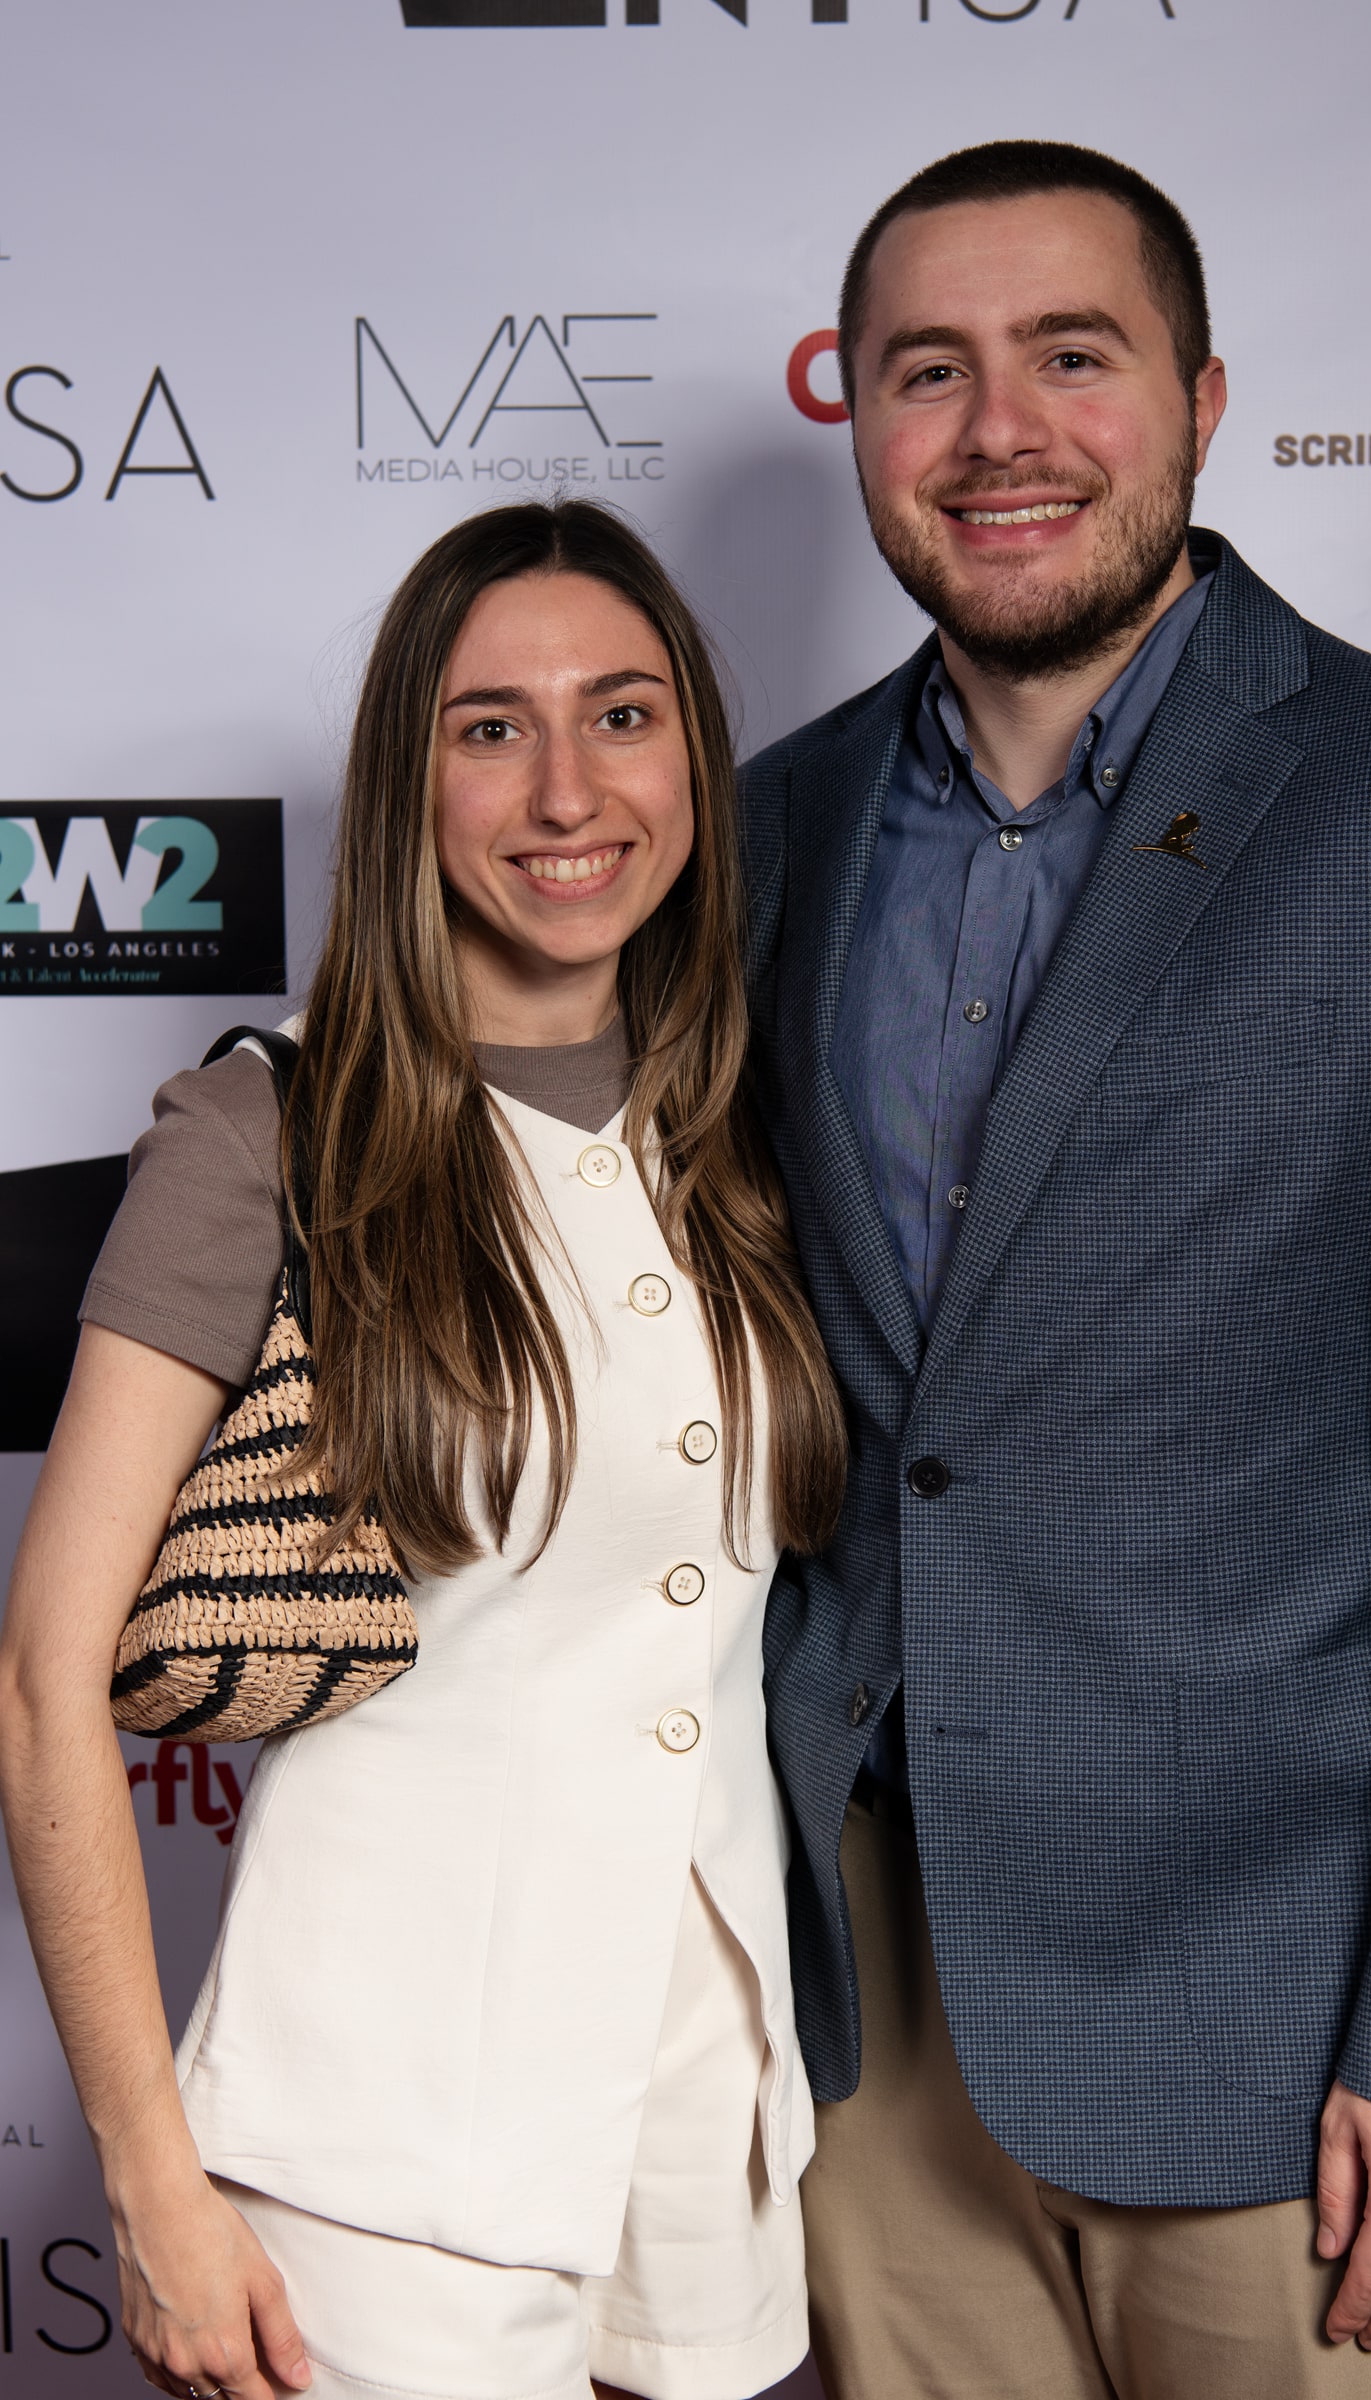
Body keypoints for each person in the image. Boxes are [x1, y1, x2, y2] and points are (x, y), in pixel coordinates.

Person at [740, 140, 1371, 2399]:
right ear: (857, 413)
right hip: (872, 2034)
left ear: (1202, 399)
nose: (997, 430)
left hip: (1297, 2047)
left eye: (1072, 355)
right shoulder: (762, 827)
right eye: (929, 370)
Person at [0, 501, 847, 2400]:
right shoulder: (265, 1129)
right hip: (375, 2153)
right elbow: (45, 1675)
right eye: (490, 729)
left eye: (622, 714)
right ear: (409, 780)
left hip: (704, 2121)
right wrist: (150, 2181)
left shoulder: (741, 1125)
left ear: (693, 758)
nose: (567, 791)